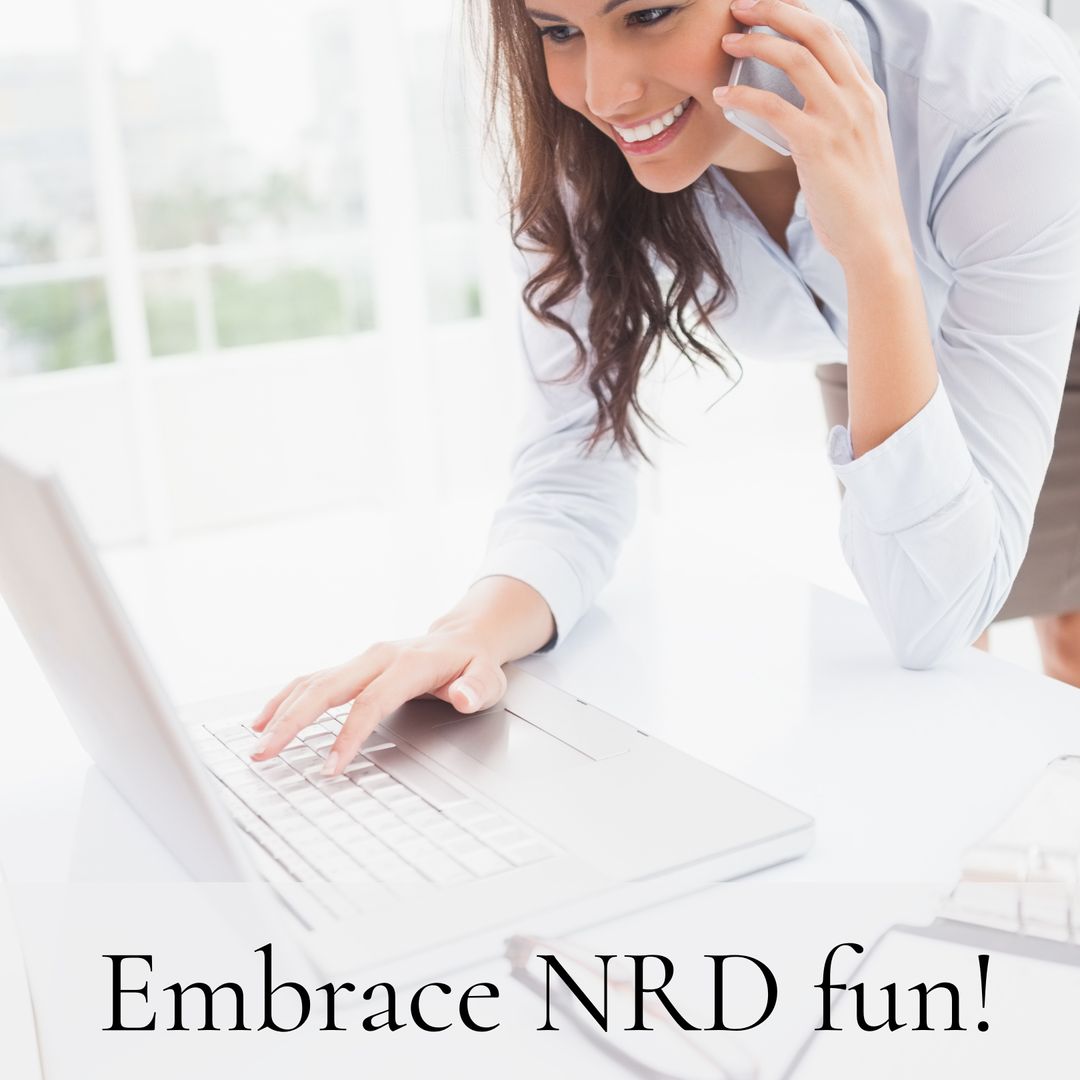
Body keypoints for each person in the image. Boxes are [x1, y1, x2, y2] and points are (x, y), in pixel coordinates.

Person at [250, 0, 1080, 778]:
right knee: (935, 678)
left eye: (648, 13)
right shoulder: (586, 154)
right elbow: (572, 472)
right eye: (558, 31)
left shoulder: (1002, 113)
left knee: (1063, 642)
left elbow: (940, 602)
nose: (604, 92)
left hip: (1043, 295)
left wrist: (873, 246)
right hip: (867, 317)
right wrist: (470, 632)